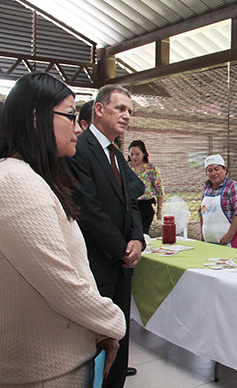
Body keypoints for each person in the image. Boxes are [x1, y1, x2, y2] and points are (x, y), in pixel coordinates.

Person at [0, 73, 126, 386]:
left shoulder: (34, 177)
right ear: (36, 119)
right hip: (44, 369)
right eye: (70, 115)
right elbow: (62, 283)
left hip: (62, 359)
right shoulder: (15, 182)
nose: (77, 127)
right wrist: (113, 324)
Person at [67, 84, 145, 387]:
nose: (126, 116)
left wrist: (138, 239)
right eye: (120, 108)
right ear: (99, 109)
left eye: (129, 111)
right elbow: (88, 209)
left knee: (119, 334)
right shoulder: (79, 148)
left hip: (123, 263)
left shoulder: (115, 152)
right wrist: (122, 249)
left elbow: (131, 203)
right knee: (94, 342)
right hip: (97, 261)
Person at [199, 154, 237, 249]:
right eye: (209, 170)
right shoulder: (206, 189)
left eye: (216, 169)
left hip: (229, 242)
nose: (213, 173)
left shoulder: (232, 187)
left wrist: (229, 235)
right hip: (208, 242)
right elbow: (202, 213)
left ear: (225, 169)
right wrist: (202, 234)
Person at [128, 140, 164, 235]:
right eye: (132, 154)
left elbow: (159, 190)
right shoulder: (126, 167)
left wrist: (159, 209)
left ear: (144, 154)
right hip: (130, 204)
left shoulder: (151, 169)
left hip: (146, 205)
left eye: (137, 154)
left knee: (143, 233)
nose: (134, 157)